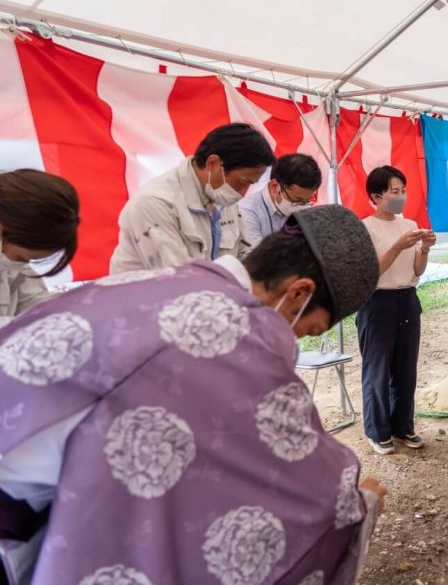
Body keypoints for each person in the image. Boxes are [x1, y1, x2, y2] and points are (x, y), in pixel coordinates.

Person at [0, 205, 387, 584]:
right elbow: (301, 482)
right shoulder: (239, 334)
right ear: (299, 292)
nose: (295, 342)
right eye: (307, 330)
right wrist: (359, 506)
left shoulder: (162, 282)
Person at [110, 123, 275, 273]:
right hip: (151, 301)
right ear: (213, 164)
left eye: (250, 185)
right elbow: (177, 278)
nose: (242, 193)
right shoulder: (156, 202)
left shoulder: (222, 195)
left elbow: (242, 252)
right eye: (241, 183)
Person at [357, 166, 436, 455]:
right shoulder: (365, 228)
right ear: (376, 196)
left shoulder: (409, 224)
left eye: (403, 190)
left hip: (407, 298)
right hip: (377, 302)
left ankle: (403, 426)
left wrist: (424, 249)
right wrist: (397, 246)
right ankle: (377, 431)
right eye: (394, 191)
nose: (401, 196)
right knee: (377, 369)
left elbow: (417, 270)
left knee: (406, 368)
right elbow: (370, 272)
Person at [0, 170, 79, 326]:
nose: (21, 264)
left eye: (28, 260)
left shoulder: (16, 269)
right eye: (20, 258)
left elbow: (33, 304)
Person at [239, 153, 322, 248]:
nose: (301, 206)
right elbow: (256, 257)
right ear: (274, 186)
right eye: (296, 200)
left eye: (307, 201)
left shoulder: (308, 212)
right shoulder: (246, 211)